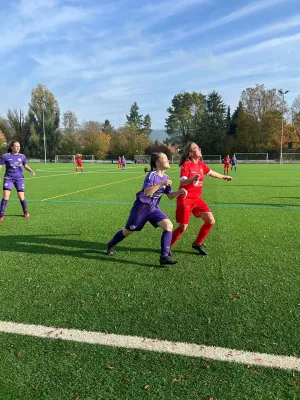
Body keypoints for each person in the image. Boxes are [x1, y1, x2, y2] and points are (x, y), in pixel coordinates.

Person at [107, 152, 187, 266]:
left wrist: (179, 192)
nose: (168, 160)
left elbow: (169, 196)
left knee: (168, 226)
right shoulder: (152, 175)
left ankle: (164, 257)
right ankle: (110, 244)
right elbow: (147, 192)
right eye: (165, 158)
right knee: (127, 231)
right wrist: (161, 183)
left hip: (154, 208)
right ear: (157, 162)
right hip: (141, 208)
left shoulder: (166, 177)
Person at [170, 142, 233, 256]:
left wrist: (224, 177)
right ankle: (167, 246)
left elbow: (211, 173)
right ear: (190, 153)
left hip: (197, 199)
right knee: (183, 227)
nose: (199, 149)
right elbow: (182, 181)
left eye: (198, 147)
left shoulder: (200, 164)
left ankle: (197, 243)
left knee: (210, 221)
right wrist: (192, 179)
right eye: (196, 148)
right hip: (185, 199)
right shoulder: (186, 165)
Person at [0, 141, 35, 222]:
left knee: (21, 196)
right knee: (5, 196)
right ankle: (1, 215)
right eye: (15, 146)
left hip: (19, 179)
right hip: (8, 178)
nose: (17, 148)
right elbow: (0, 165)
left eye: (18, 146)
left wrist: (31, 170)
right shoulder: (6, 156)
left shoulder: (22, 156)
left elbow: (25, 165)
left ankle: (25, 212)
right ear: (11, 147)